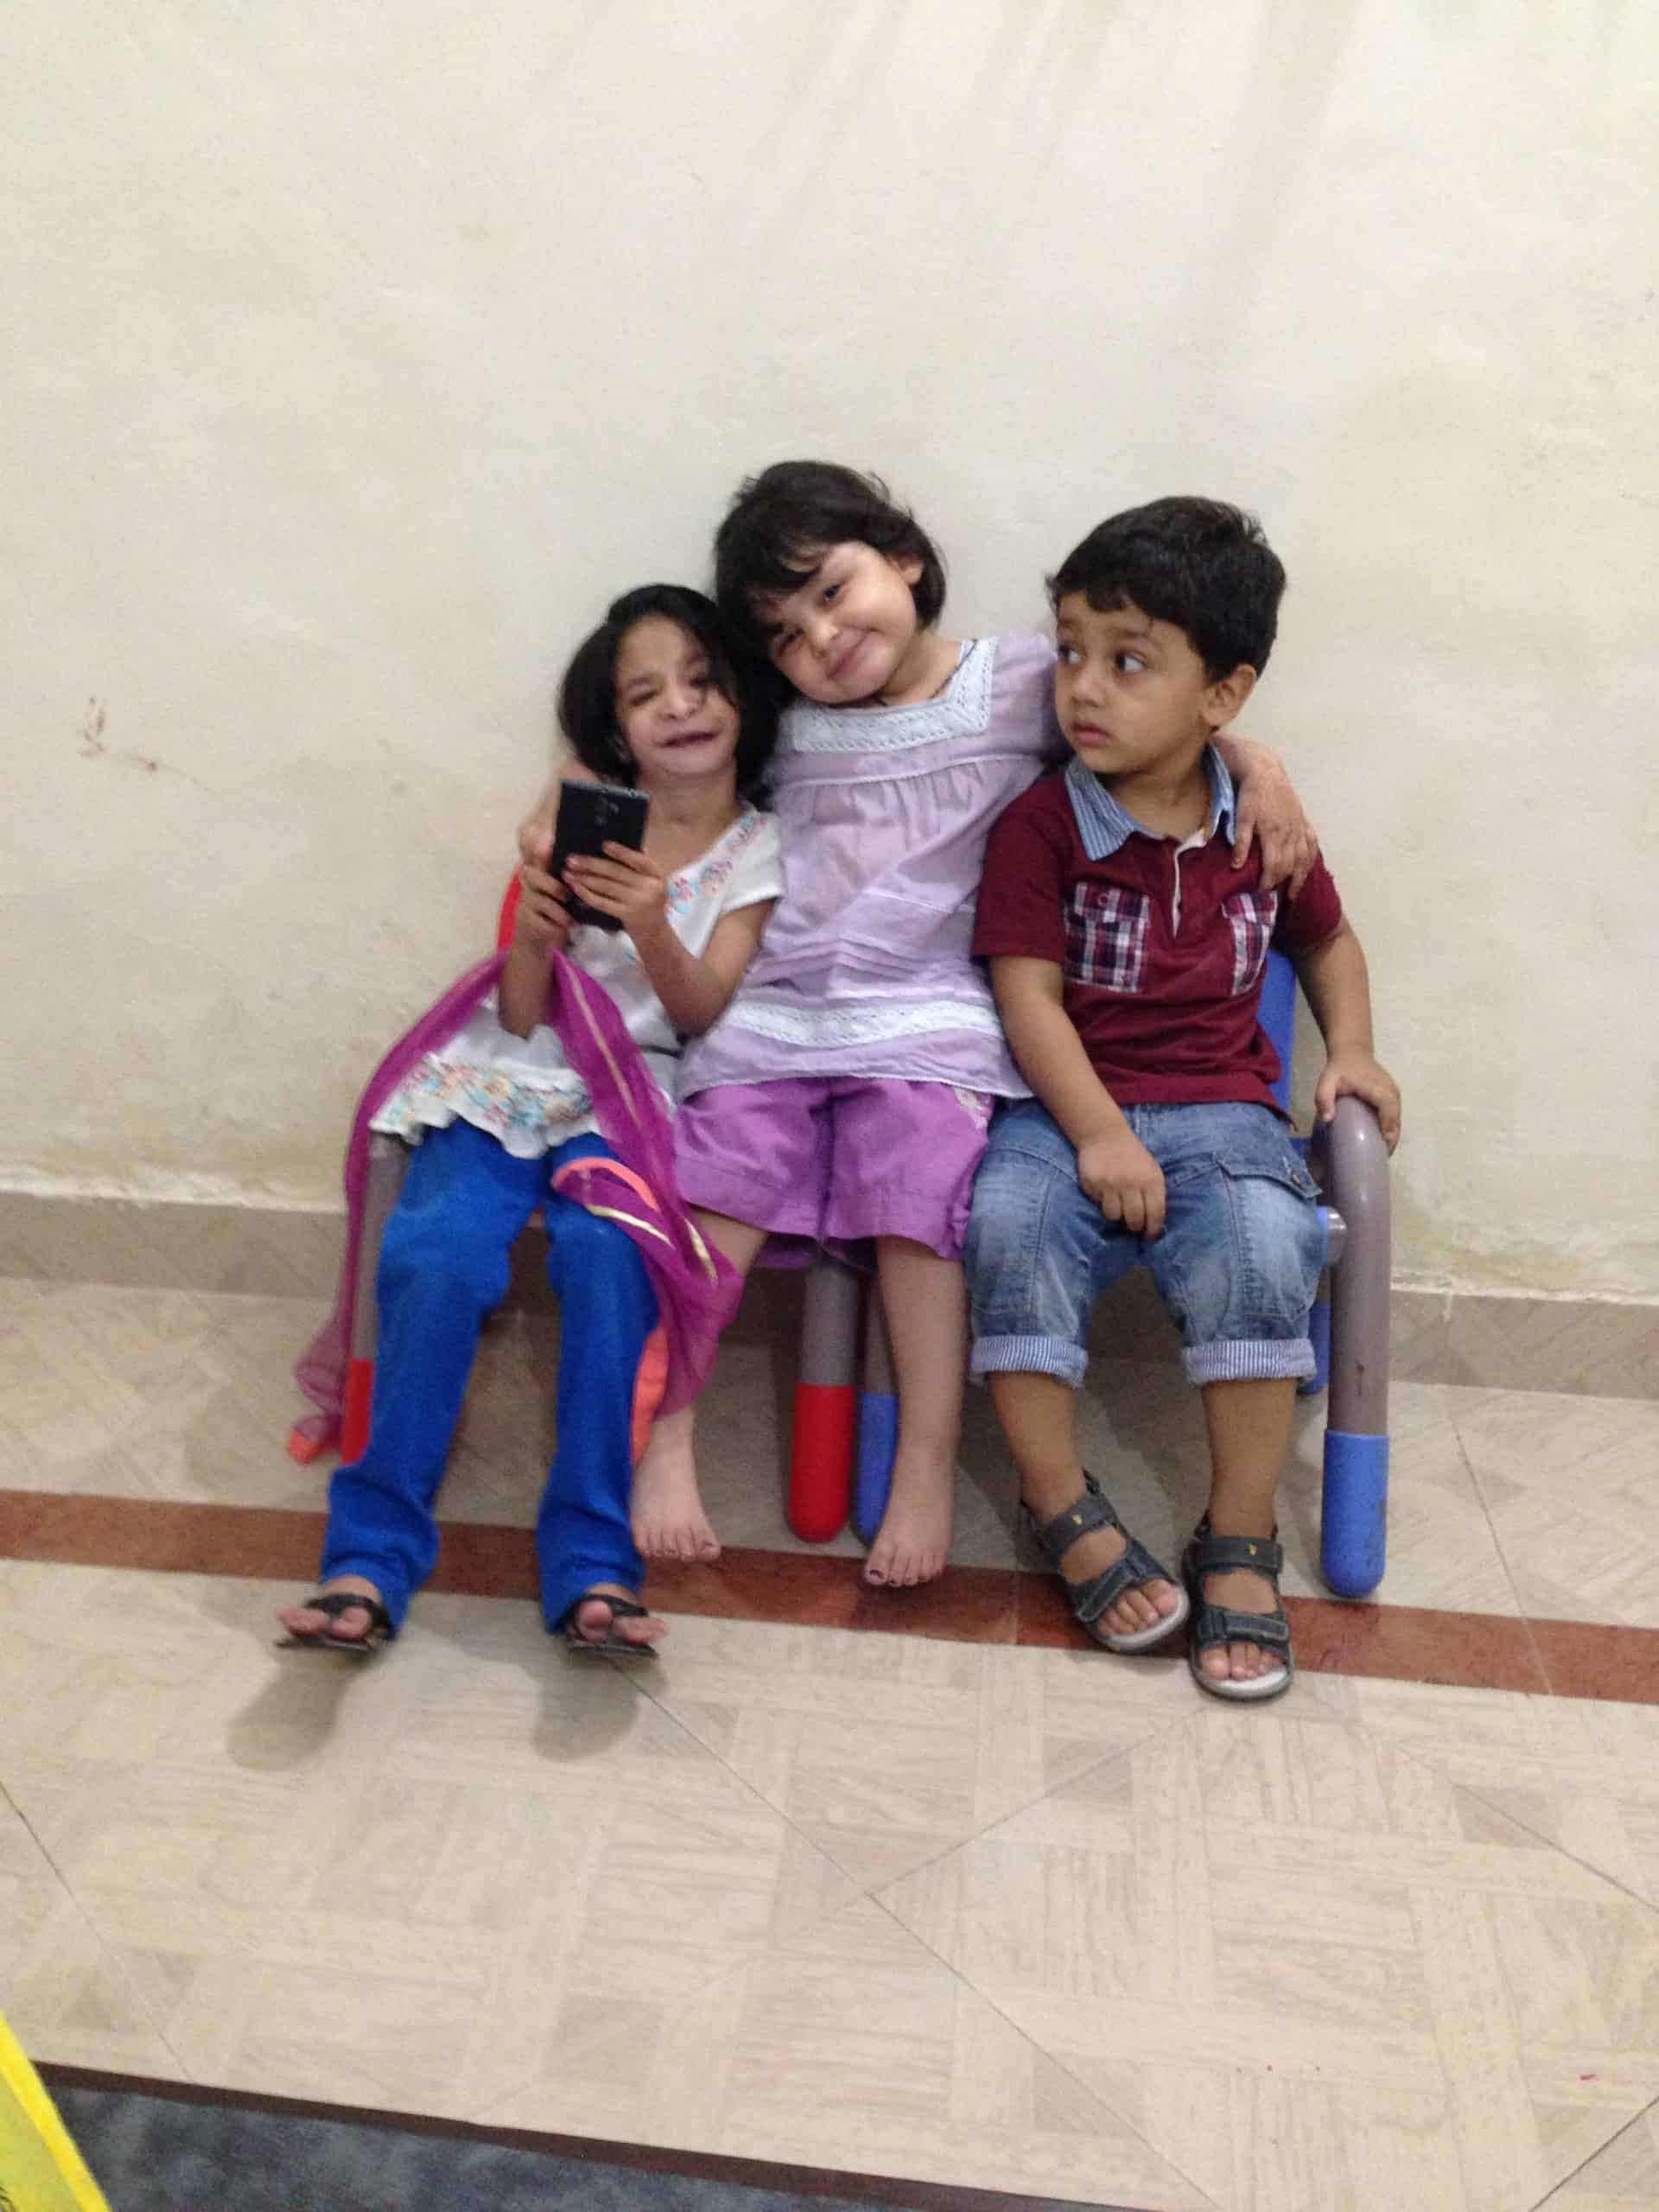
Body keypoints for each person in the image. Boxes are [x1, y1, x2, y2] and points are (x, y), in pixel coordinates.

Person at [522, 463, 1315, 1591]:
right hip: (777, 1016)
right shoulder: (784, 727)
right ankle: (671, 1432)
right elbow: (635, 751)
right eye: (786, 633)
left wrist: (1260, 762)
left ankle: (929, 1462)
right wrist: (561, 789)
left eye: (834, 592)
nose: (823, 639)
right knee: (715, 1191)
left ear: (901, 556)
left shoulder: (1021, 681)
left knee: (924, 1204)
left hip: (933, 1019)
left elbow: (1159, 717)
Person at [277, 586, 783, 1657]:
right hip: (511, 1070)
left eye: (700, 681)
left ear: (743, 695)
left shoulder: (758, 853)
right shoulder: (584, 802)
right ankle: (368, 1553)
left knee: (609, 1258)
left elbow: (695, 1012)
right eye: (645, 693)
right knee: (435, 1250)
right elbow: (517, 1011)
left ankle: (595, 1559)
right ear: (611, 719)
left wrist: (650, 925)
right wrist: (537, 938)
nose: (679, 707)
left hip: (631, 1089)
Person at [965, 497, 1401, 1700]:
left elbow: (1332, 946)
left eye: (1128, 662)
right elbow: (1029, 1001)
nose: (1084, 689)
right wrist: (1098, 1132)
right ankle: (1058, 1502)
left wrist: (1352, 1050)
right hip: (1065, 1113)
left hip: (1226, 1117)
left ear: (1224, 695)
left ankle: (1241, 1536)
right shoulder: (1043, 827)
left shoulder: (1260, 829)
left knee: (1270, 1239)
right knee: (1007, 1227)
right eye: (1070, 653)